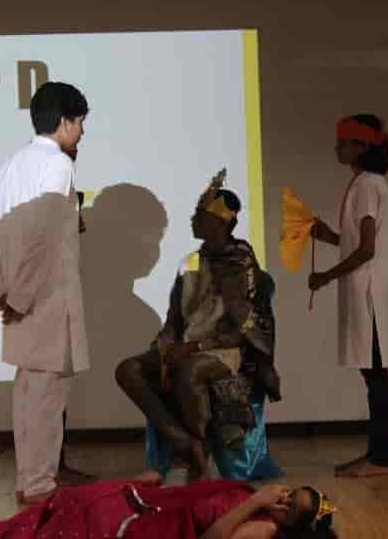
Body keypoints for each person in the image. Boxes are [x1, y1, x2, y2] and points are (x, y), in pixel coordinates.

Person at [116, 171, 280, 481]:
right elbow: (175, 316)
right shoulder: (191, 260)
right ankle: (186, 444)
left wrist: (196, 346)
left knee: (189, 369)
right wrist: (164, 343)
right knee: (128, 370)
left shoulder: (241, 262)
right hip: (188, 345)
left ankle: (198, 456)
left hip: (226, 350)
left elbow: (246, 327)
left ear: (218, 223)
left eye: (199, 215)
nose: (192, 220)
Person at [0, 81, 90, 503]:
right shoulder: (58, 165)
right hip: (45, 298)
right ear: (64, 122)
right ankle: (40, 486)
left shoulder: (12, 163)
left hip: (19, 297)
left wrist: (1, 293)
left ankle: (30, 480)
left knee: (28, 394)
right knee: (45, 398)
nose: (81, 132)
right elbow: (43, 237)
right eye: (79, 122)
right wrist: (22, 297)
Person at [308, 114, 388, 477]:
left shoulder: (367, 185)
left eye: (343, 142)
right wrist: (328, 235)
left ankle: (380, 458)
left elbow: (366, 248)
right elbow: (357, 242)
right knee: (374, 375)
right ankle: (377, 455)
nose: (337, 148)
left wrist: (326, 276)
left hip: (368, 293)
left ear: (361, 147)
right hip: (367, 290)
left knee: (376, 376)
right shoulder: (367, 183)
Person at [0, 475, 336, 539]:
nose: (283, 500)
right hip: (150, 503)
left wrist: (256, 501)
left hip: (150, 525)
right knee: (71, 499)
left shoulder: (264, 527)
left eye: (290, 508)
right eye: (291, 493)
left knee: (79, 517)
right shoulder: (263, 501)